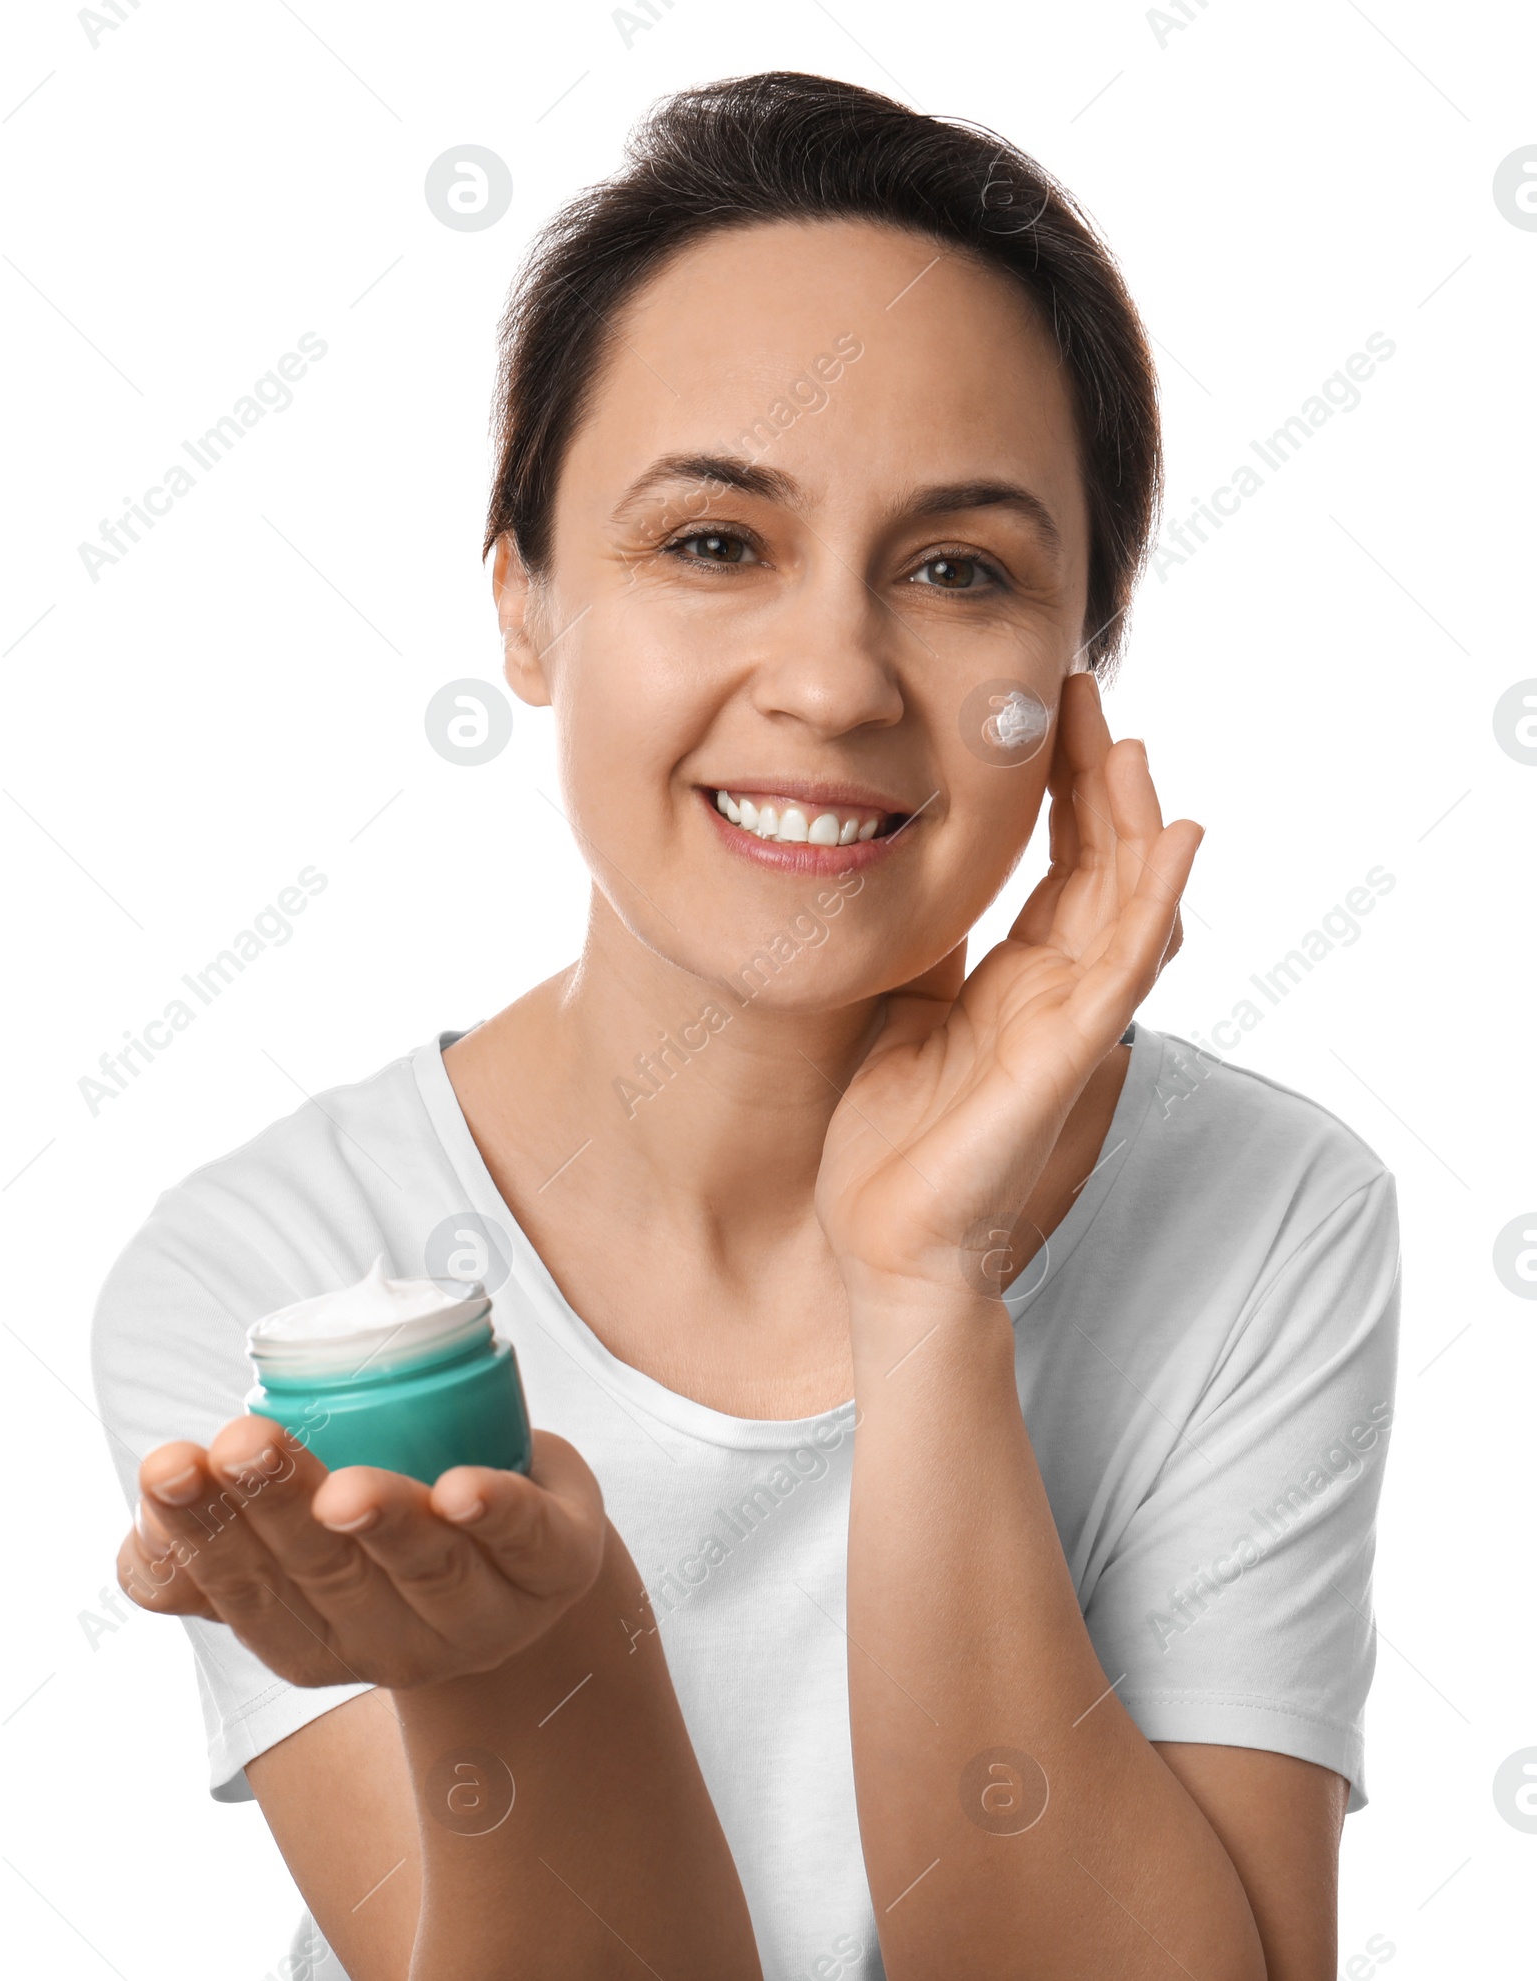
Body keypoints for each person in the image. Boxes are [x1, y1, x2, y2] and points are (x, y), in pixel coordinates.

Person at [92, 70, 1400, 1981]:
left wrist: (926, 1284)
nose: (834, 679)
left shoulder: (1266, 1212)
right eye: (714, 542)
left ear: (1078, 664)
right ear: (526, 606)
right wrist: (534, 1665)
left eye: (962, 570)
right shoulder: (291, 1278)